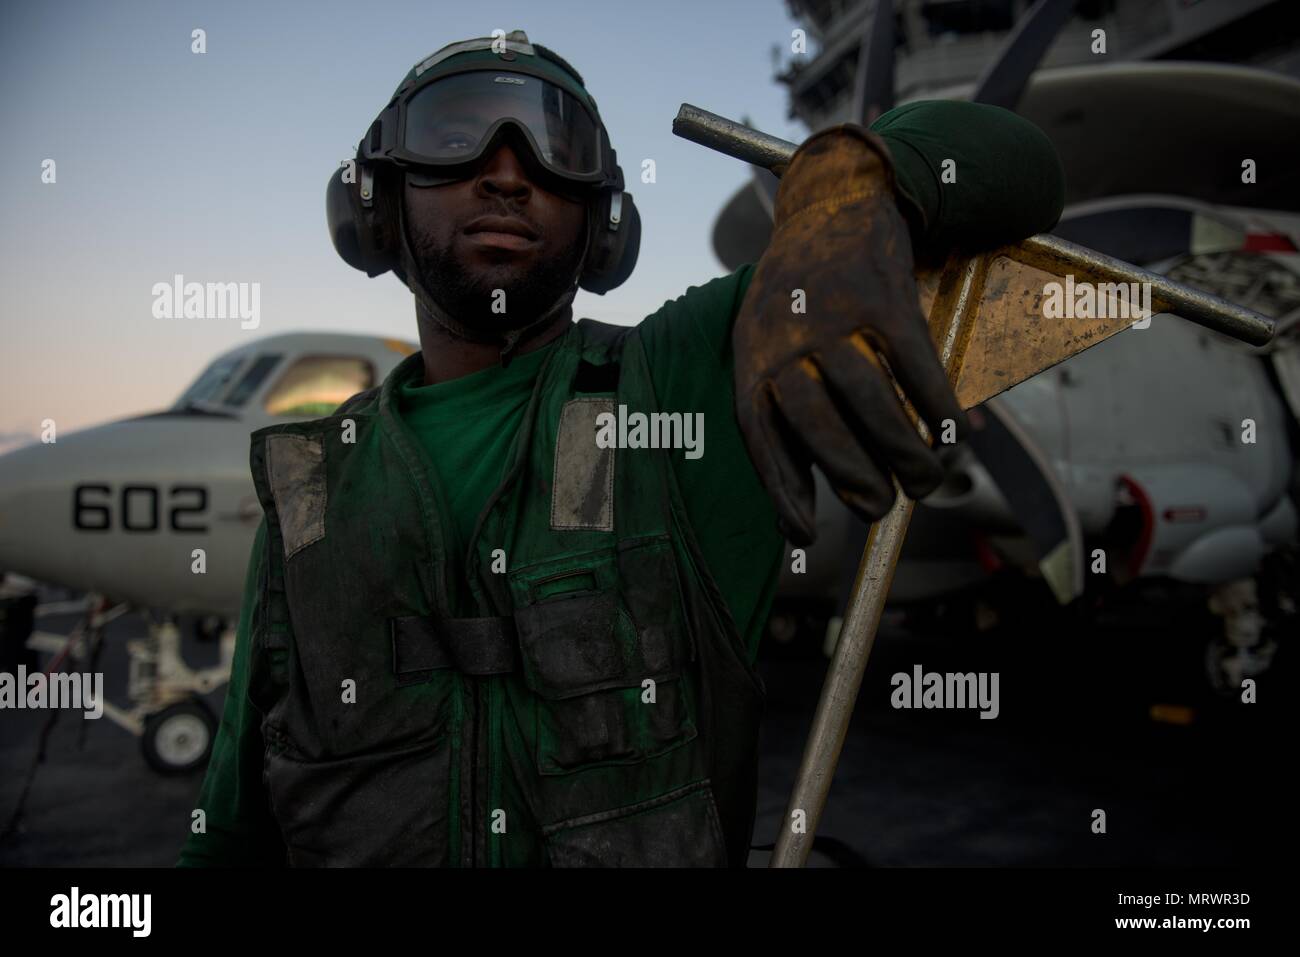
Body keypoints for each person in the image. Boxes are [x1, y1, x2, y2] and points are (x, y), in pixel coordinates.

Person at [178, 30, 1064, 867]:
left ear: (604, 225)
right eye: (454, 136)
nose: (506, 173)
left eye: (555, 151)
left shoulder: (689, 377)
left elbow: (1019, 166)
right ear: (377, 201)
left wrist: (846, 186)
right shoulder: (313, 480)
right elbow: (229, 828)